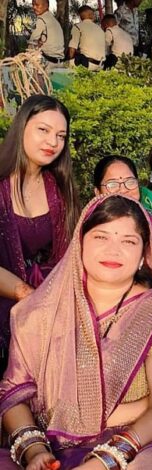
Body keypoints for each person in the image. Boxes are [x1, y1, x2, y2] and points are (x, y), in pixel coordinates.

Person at [0, 195, 152, 469]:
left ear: (144, 255)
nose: (113, 250)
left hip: (138, 442)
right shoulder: (38, 314)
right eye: (101, 237)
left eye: (128, 241)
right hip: (50, 441)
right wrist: (33, 450)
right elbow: (15, 392)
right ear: (79, 244)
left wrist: (106, 460)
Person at [0, 95, 80, 373]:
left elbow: (71, 256)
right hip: (8, 308)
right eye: (43, 130)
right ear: (22, 127)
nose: (52, 142)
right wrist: (27, 294)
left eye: (61, 135)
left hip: (53, 313)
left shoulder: (60, 189)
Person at [68, 6, 106, 70]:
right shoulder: (100, 29)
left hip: (88, 64)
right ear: (90, 14)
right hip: (101, 65)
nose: (94, 15)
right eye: (93, 13)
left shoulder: (78, 26)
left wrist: (69, 61)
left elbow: (72, 49)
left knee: (68, 63)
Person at [28, 0, 64, 67]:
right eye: (33, 5)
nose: (34, 7)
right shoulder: (54, 20)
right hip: (60, 61)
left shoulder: (42, 19)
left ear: (46, 5)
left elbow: (31, 42)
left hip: (48, 62)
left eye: (37, 5)